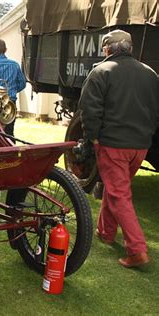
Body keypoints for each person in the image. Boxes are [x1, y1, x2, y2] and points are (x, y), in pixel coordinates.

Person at [79, 30, 159, 268]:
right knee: (116, 189)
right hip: (141, 145)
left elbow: (89, 110)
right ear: (130, 48)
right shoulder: (150, 73)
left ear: (108, 49)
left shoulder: (101, 72)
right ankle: (105, 232)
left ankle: (137, 250)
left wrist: (92, 138)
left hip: (113, 144)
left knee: (119, 193)